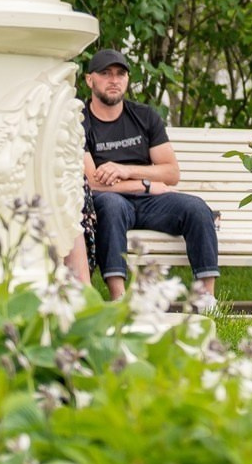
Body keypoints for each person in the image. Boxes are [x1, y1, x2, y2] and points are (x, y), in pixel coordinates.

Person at [75, 49, 219, 304]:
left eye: (120, 74)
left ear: (127, 80)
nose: (114, 80)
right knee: (111, 205)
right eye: (105, 73)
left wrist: (128, 170)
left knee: (196, 208)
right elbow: (93, 182)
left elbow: (171, 172)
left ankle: (206, 298)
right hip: (110, 200)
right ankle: (119, 298)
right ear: (89, 80)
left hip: (148, 201)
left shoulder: (144, 116)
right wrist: (146, 184)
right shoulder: (80, 121)